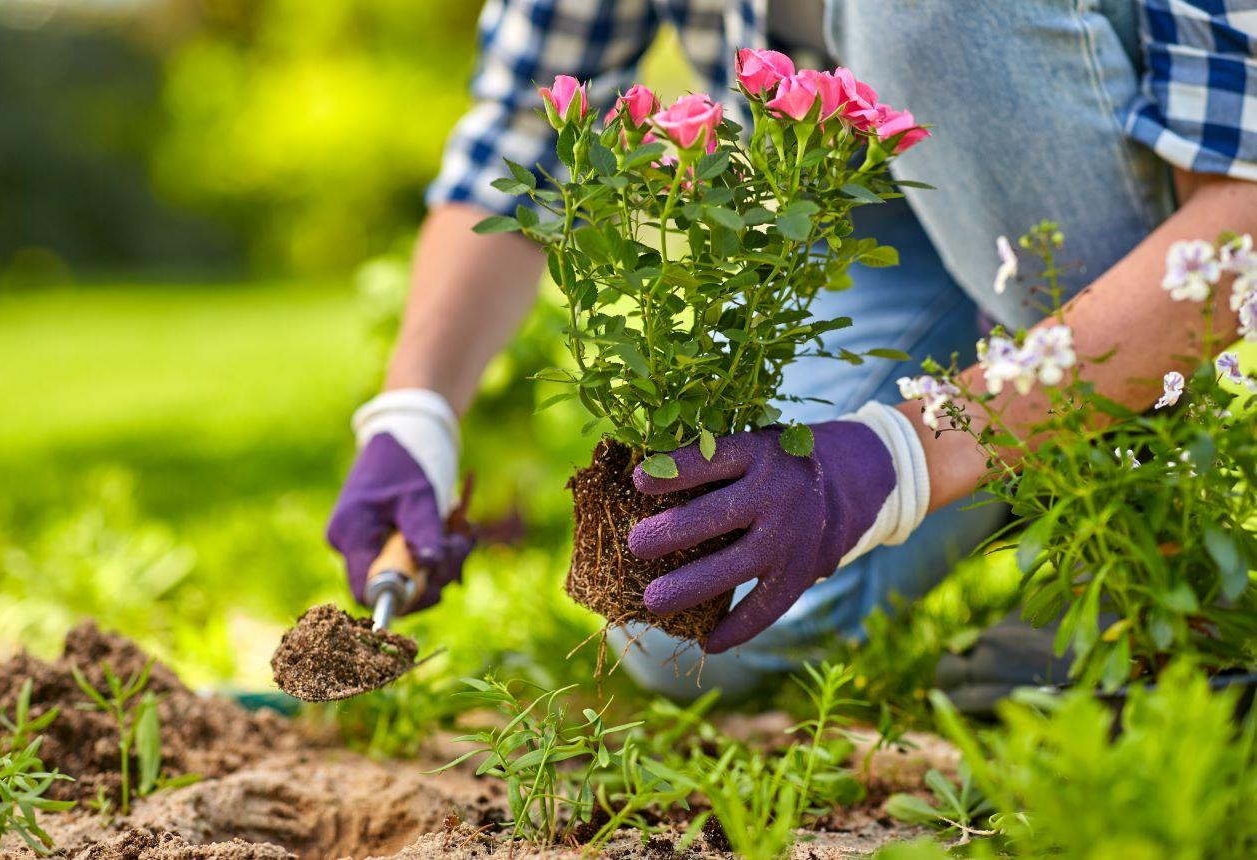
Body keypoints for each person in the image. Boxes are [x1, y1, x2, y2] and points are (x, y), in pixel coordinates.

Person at [326, 0, 1256, 702]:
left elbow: (1242, 224)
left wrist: (895, 461)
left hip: (1138, 207)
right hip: (871, 214)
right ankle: (1014, 447)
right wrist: (415, 412)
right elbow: (523, 139)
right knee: (679, 629)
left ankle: (1153, 555)